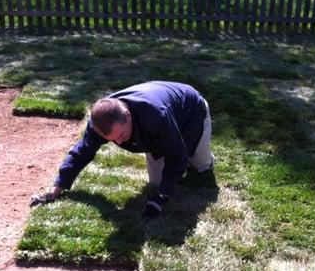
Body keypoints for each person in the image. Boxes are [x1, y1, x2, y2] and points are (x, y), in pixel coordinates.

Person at [31, 81, 215, 217]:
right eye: (113, 140)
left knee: (199, 165)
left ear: (127, 115)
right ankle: (164, 147)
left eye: (122, 135)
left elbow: (176, 157)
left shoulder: (156, 115)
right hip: (158, 125)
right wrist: (57, 188)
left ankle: (205, 159)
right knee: (157, 181)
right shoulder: (100, 122)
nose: (119, 142)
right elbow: (81, 152)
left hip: (190, 111)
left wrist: (161, 198)